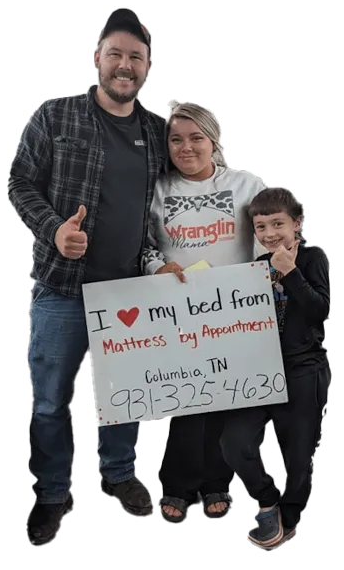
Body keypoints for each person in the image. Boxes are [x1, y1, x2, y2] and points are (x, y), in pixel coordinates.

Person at [8, 7, 167, 546]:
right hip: (61, 290)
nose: (126, 65)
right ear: (98, 58)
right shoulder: (54, 116)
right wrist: (54, 230)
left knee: (126, 395)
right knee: (51, 400)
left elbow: (184, 196)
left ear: (147, 67)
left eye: (136, 58)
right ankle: (52, 492)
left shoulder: (156, 130)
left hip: (130, 291)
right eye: (116, 54)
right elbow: (21, 183)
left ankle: (118, 473)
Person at [141, 100, 266, 523]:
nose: (186, 147)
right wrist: (158, 265)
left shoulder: (247, 186)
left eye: (196, 138)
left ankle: (216, 483)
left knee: (225, 405)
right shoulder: (157, 188)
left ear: (214, 142)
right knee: (187, 402)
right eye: (176, 139)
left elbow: (270, 237)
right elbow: (142, 245)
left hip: (237, 312)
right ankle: (176, 484)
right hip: (178, 312)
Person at [219, 187, 331, 549]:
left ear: (296, 224)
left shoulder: (312, 258)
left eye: (278, 224)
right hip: (260, 370)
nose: (270, 233)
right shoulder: (255, 267)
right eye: (261, 226)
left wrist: (292, 272)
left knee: (299, 458)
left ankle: (291, 513)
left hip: (304, 371)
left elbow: (319, 311)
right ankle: (268, 501)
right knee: (234, 443)